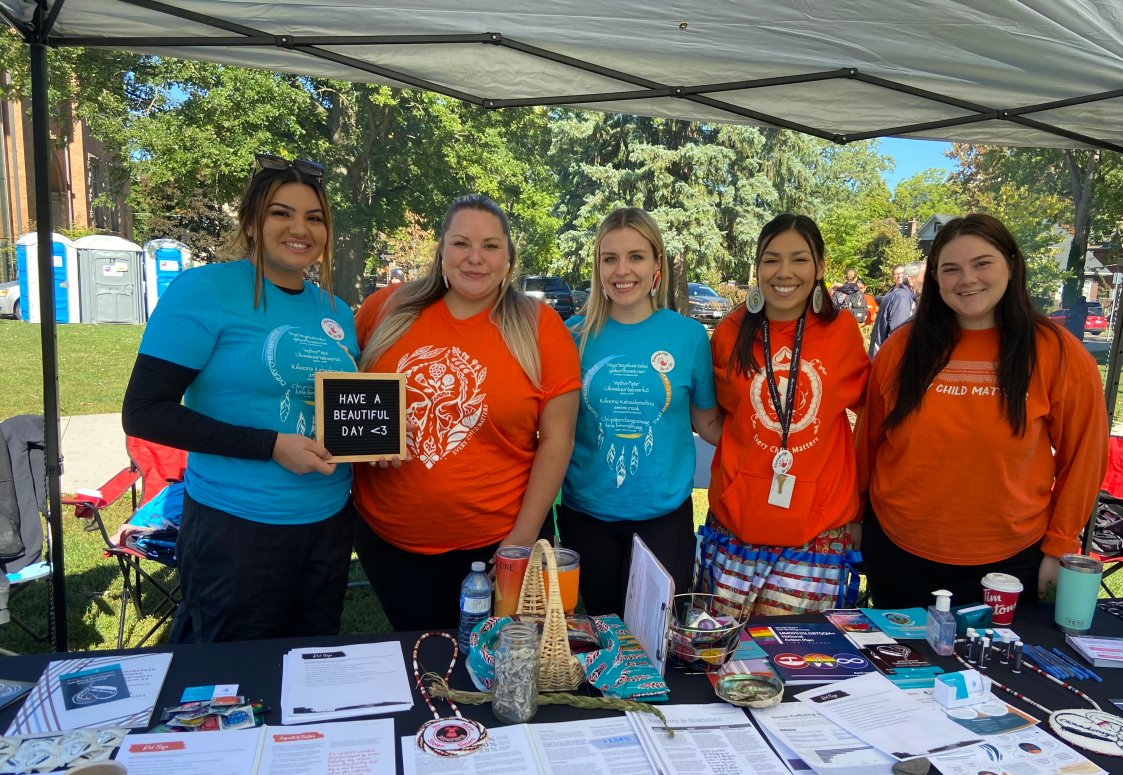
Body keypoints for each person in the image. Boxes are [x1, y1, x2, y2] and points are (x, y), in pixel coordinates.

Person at [123, 153, 359, 642]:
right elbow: (145, 413)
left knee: (312, 674)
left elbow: (342, 411)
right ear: (252, 221)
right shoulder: (204, 290)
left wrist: (372, 444)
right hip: (238, 528)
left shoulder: (337, 310)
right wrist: (271, 445)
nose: (301, 228)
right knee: (232, 686)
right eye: (281, 213)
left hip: (329, 525)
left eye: (314, 218)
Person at [353, 194, 581, 631]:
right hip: (390, 543)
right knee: (422, 663)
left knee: (502, 669)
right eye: (461, 243)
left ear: (508, 258)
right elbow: (347, 398)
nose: (475, 258)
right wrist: (365, 439)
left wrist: (520, 541)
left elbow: (558, 438)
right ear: (441, 252)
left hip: (498, 542)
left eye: (491, 246)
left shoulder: (539, 326)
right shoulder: (385, 309)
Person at [858, 213, 1108, 609]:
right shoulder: (901, 349)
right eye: (950, 269)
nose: (966, 279)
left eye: (981, 263)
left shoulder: (1057, 352)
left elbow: (1085, 458)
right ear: (936, 279)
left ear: (1010, 264)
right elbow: (867, 443)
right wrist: (858, 519)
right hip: (898, 554)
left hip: (1011, 563)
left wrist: (1060, 545)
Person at [697, 213, 869, 617]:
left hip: (816, 534)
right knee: (722, 661)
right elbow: (713, 417)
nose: (784, 272)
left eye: (799, 259)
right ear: (757, 267)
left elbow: (871, 418)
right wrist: (745, 465)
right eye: (771, 259)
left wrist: (859, 512)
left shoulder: (841, 331)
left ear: (820, 267)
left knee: (801, 664)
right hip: (737, 529)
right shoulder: (729, 332)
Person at [559, 208, 720, 614]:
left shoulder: (688, 336)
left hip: (663, 519)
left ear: (657, 264)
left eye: (636, 256)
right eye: (609, 258)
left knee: (659, 644)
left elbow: (709, 423)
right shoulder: (573, 336)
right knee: (603, 641)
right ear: (597, 267)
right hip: (588, 517)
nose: (622, 270)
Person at [868, 262, 920, 358]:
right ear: (911, 279)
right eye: (924, 279)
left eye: (901, 273)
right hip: (887, 358)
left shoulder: (901, 294)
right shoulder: (902, 297)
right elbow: (899, 335)